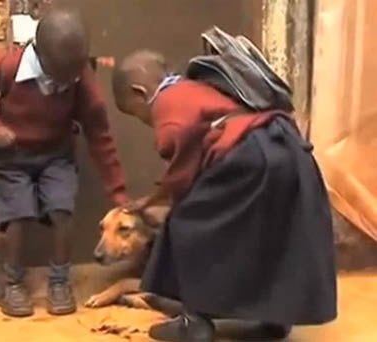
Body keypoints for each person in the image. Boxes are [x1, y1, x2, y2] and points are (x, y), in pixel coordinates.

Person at [112, 50, 337, 342]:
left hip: (251, 156)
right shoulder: (197, 86)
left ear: (139, 92)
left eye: (135, 112)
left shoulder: (167, 108)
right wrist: (157, 197)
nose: (143, 120)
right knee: (273, 229)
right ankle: (276, 317)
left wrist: (153, 201)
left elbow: (183, 173)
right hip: (289, 150)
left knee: (186, 223)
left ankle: (194, 322)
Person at [0, 9, 129, 317]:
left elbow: (100, 137)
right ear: (39, 54)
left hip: (56, 155)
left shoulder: (81, 81)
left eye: (76, 72)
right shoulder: (5, 65)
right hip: (11, 156)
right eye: (62, 74)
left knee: (62, 210)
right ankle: (13, 282)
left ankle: (59, 281)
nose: (70, 80)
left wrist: (119, 194)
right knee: (18, 215)